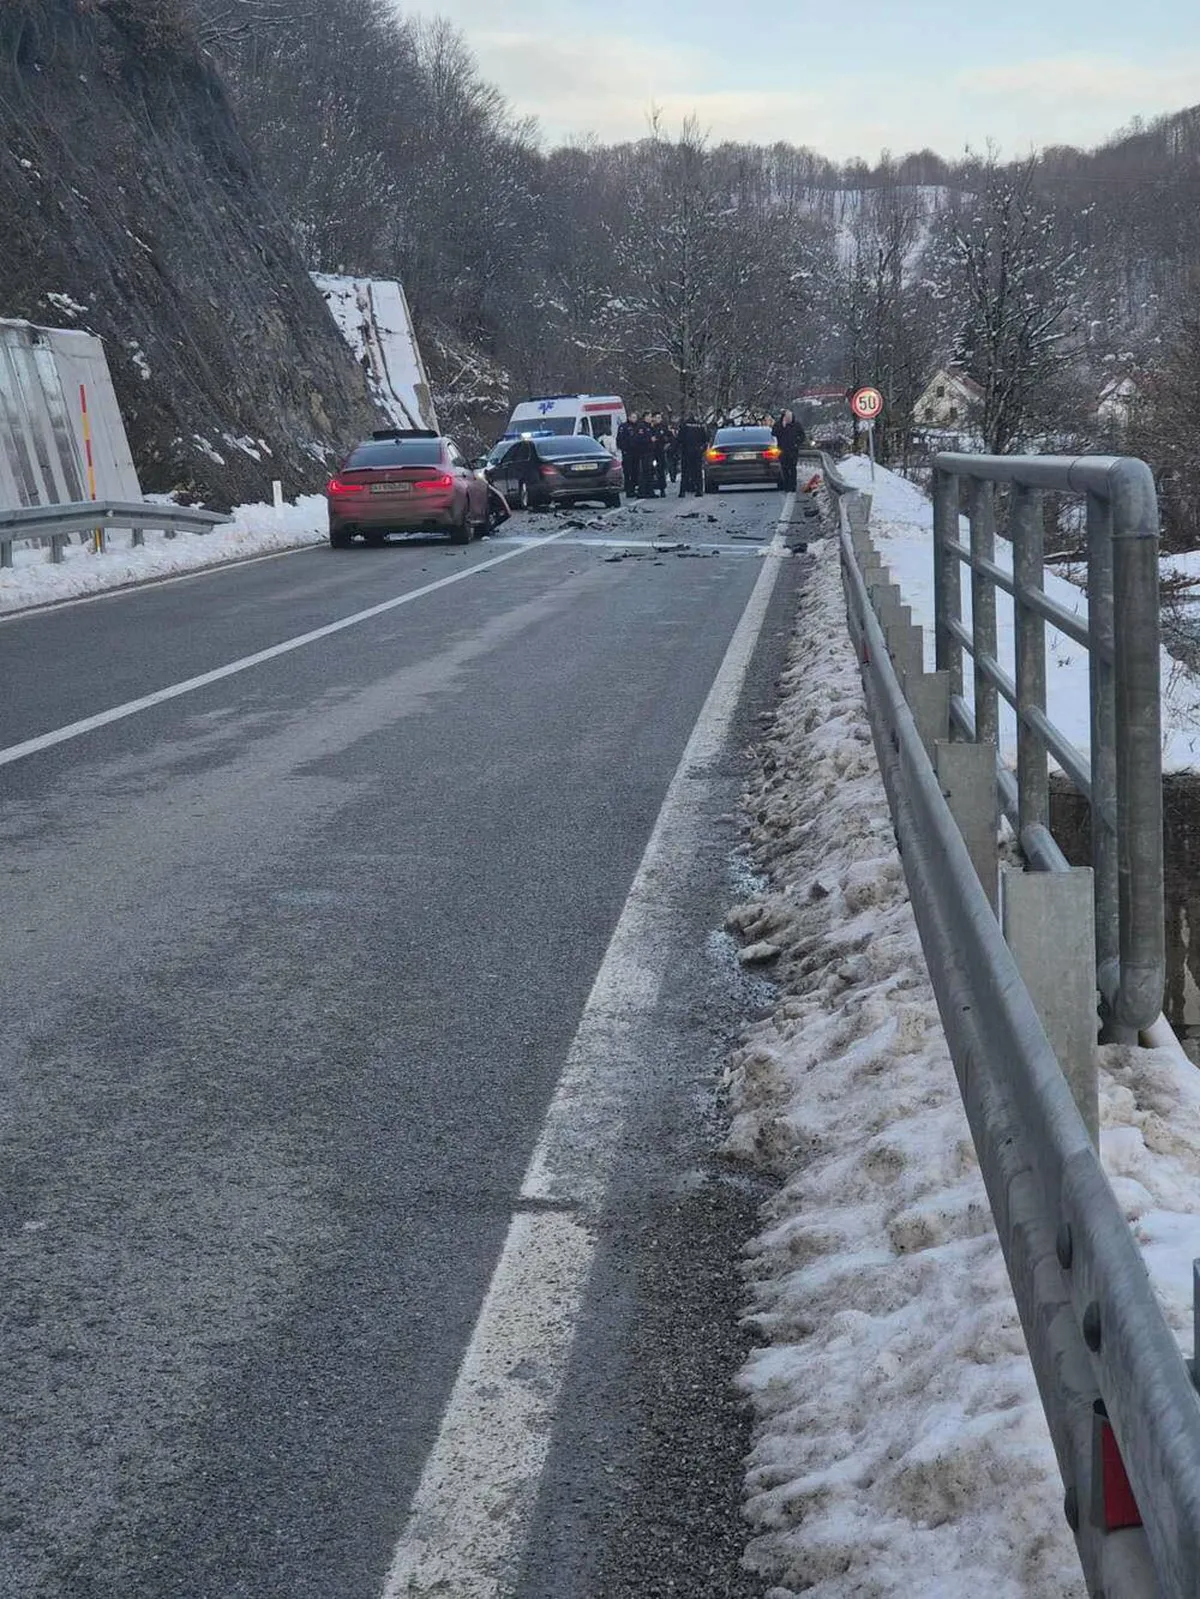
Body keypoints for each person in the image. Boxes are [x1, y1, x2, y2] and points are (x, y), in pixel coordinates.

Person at [773, 408, 805, 493]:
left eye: (789, 418)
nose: (788, 419)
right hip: (782, 451)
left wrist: (797, 443)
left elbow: (802, 436)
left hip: (793, 450)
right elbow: (774, 433)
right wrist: (781, 427)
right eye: (786, 418)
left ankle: (793, 486)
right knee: (784, 469)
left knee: (793, 468)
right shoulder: (778, 425)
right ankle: (787, 485)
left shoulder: (796, 425)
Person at [676, 415, 708, 497]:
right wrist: (701, 450)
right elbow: (705, 440)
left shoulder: (684, 426)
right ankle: (699, 490)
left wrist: (679, 450)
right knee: (698, 472)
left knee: (685, 472)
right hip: (697, 452)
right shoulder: (700, 426)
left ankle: (682, 492)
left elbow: (679, 439)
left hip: (686, 452)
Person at [630, 412, 655, 498]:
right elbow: (638, 439)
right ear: (645, 417)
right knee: (644, 472)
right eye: (649, 417)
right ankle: (642, 492)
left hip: (650, 452)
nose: (651, 418)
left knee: (650, 472)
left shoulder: (649, 427)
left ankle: (650, 491)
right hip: (644, 453)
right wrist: (650, 439)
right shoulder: (641, 427)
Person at [616, 413, 637, 499]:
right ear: (629, 417)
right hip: (627, 452)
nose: (634, 419)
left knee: (635, 472)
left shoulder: (637, 426)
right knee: (628, 472)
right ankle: (629, 490)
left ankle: (633, 488)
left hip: (636, 452)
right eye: (633, 417)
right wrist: (624, 449)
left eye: (635, 417)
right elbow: (620, 439)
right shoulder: (623, 427)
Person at [649, 412, 669, 497]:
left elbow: (668, 437)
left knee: (661, 471)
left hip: (660, 452)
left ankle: (662, 489)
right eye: (657, 417)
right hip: (650, 452)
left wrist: (667, 444)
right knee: (650, 470)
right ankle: (650, 489)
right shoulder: (649, 427)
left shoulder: (663, 427)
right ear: (653, 418)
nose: (659, 419)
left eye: (660, 418)